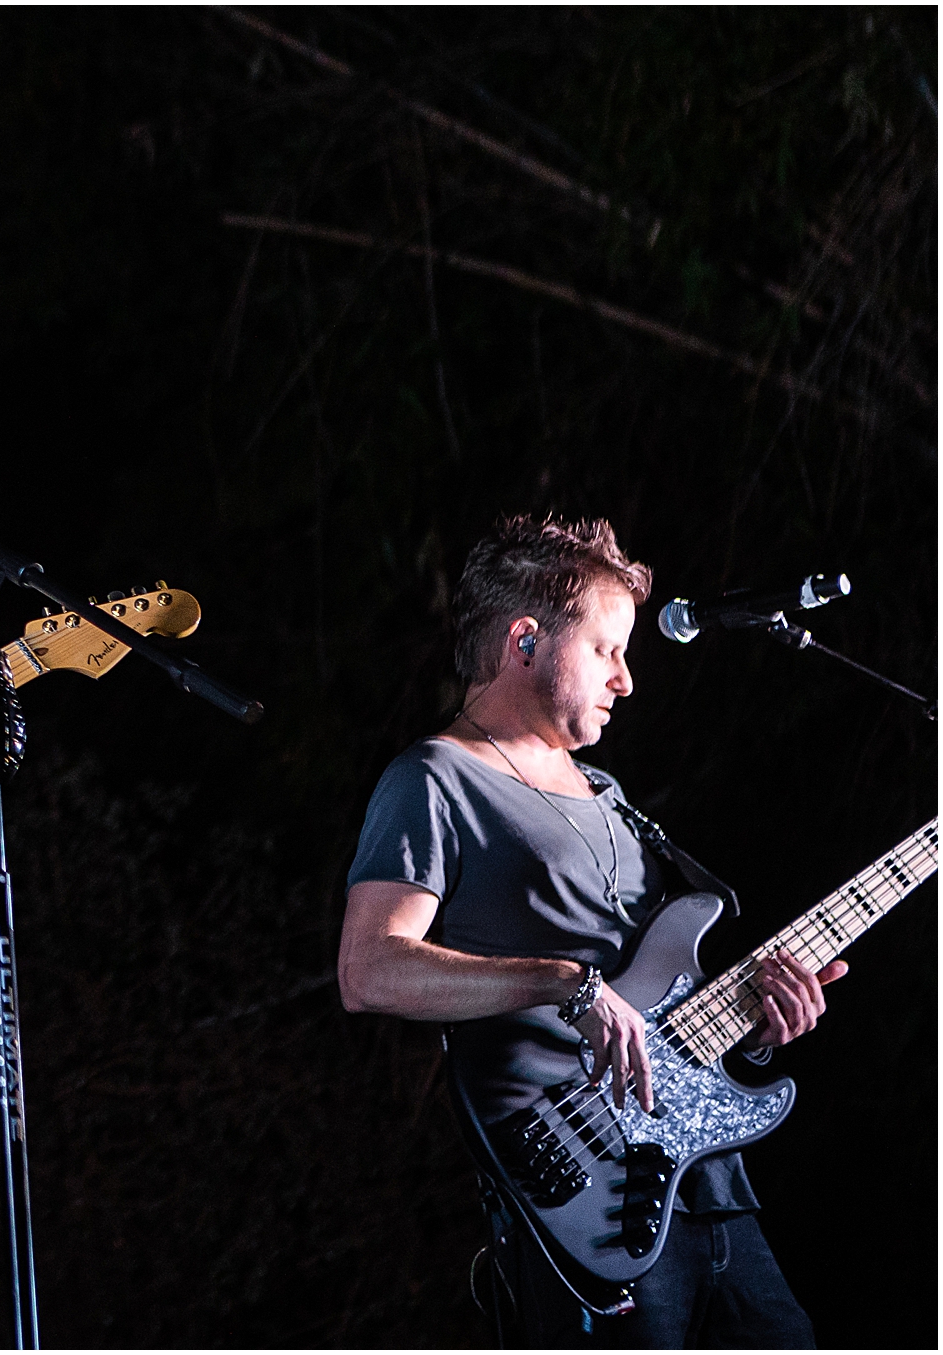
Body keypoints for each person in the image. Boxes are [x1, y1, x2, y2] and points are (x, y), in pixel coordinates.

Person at [337, 515, 841, 1348]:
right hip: (587, 1201)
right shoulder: (436, 778)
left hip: (711, 1185)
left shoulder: (612, 797)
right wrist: (566, 982)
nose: (628, 679)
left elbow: (661, 1002)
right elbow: (369, 970)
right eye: (608, 649)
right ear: (525, 640)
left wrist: (758, 1024)